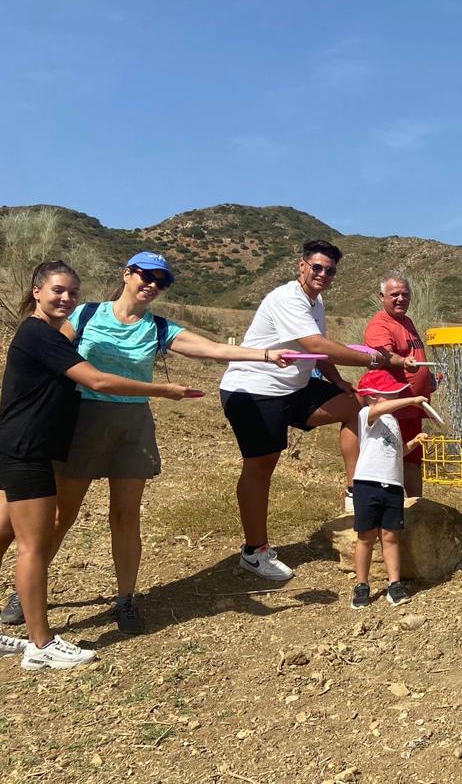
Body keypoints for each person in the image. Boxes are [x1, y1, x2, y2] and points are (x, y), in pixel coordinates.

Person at [2, 251, 297, 636]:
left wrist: (263, 354)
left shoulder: (158, 327)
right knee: (62, 517)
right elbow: (51, 363)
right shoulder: (83, 314)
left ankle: (125, 598)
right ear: (127, 274)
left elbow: (210, 348)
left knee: (126, 517)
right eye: (147, 276)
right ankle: (27, 595)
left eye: (163, 281)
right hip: (81, 424)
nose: (153, 285)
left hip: (132, 428)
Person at [0, 261, 195, 670]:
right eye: (57, 291)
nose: (66, 299)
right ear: (36, 291)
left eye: (72, 292)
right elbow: (98, 381)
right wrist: (162, 389)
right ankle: (41, 643)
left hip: (20, 443)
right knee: (34, 543)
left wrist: (262, 355)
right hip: (28, 448)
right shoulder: (43, 335)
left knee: (4, 533)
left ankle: (49, 629)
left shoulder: (47, 334)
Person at [220, 240, 415, 581]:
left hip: (294, 388)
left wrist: (339, 381)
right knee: (262, 466)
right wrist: (372, 357)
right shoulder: (287, 299)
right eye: (318, 267)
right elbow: (316, 345)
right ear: (302, 266)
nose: (323, 274)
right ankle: (255, 552)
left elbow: (317, 353)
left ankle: (357, 489)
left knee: (356, 404)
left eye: (330, 270)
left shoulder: (316, 302)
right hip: (255, 390)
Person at [349, 370, 428, 609]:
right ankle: (362, 584)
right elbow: (376, 411)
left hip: (392, 485)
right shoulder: (366, 414)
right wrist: (413, 400)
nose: (393, 399)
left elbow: (395, 451)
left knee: (390, 536)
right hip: (367, 483)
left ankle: (394, 584)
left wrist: (413, 443)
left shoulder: (392, 421)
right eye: (388, 395)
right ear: (372, 396)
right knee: (365, 536)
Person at [353, 272, 434, 499]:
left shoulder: (407, 321)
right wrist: (403, 362)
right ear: (382, 296)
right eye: (394, 294)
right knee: (390, 458)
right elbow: (382, 356)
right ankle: (389, 510)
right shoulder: (380, 324)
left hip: (413, 407)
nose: (400, 299)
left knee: (412, 458)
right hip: (393, 406)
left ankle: (415, 504)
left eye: (405, 294)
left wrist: (429, 380)